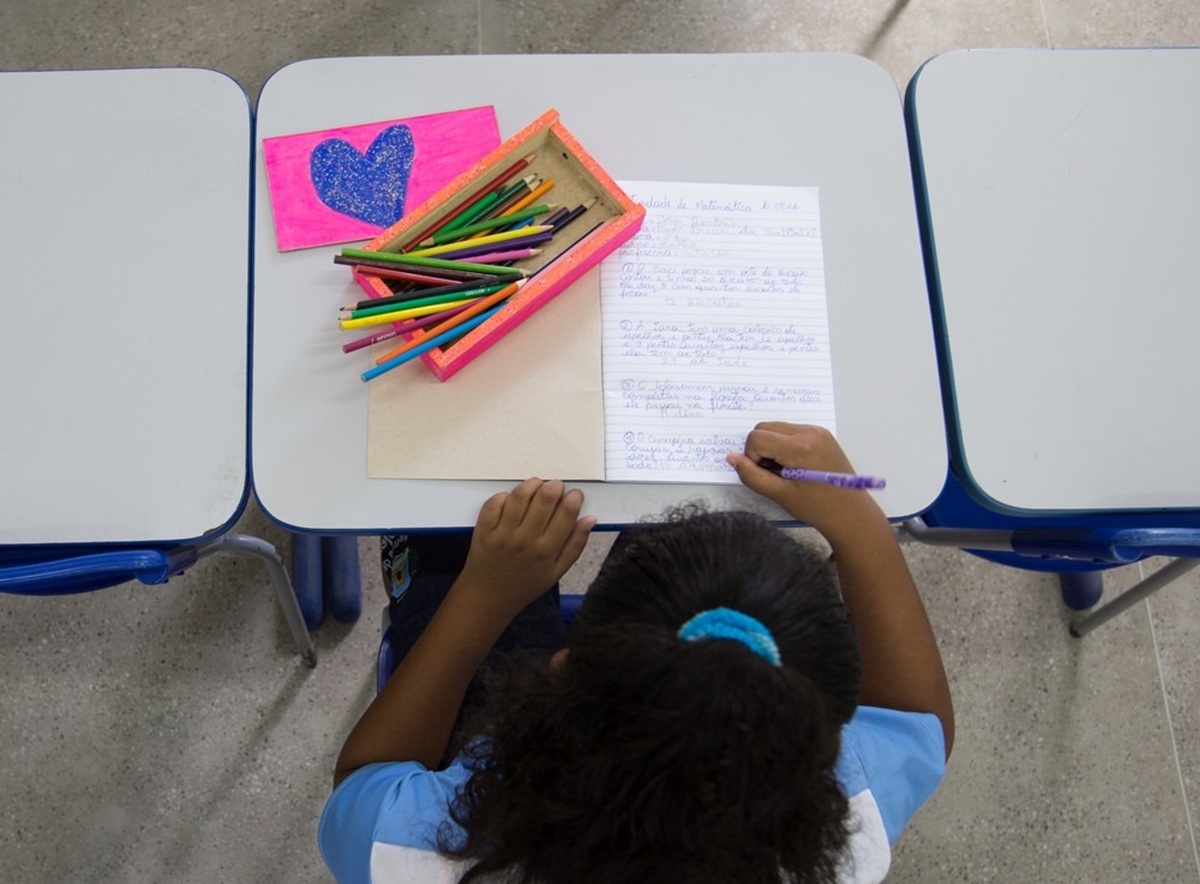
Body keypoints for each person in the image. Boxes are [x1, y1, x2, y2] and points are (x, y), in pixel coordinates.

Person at [320, 423, 954, 884]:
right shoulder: (851, 832)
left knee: (448, 546)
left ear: (562, 667)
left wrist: (481, 598)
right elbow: (917, 720)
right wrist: (858, 514)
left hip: (505, 774)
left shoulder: (422, 854)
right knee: (702, 511)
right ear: (827, 734)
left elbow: (365, 783)